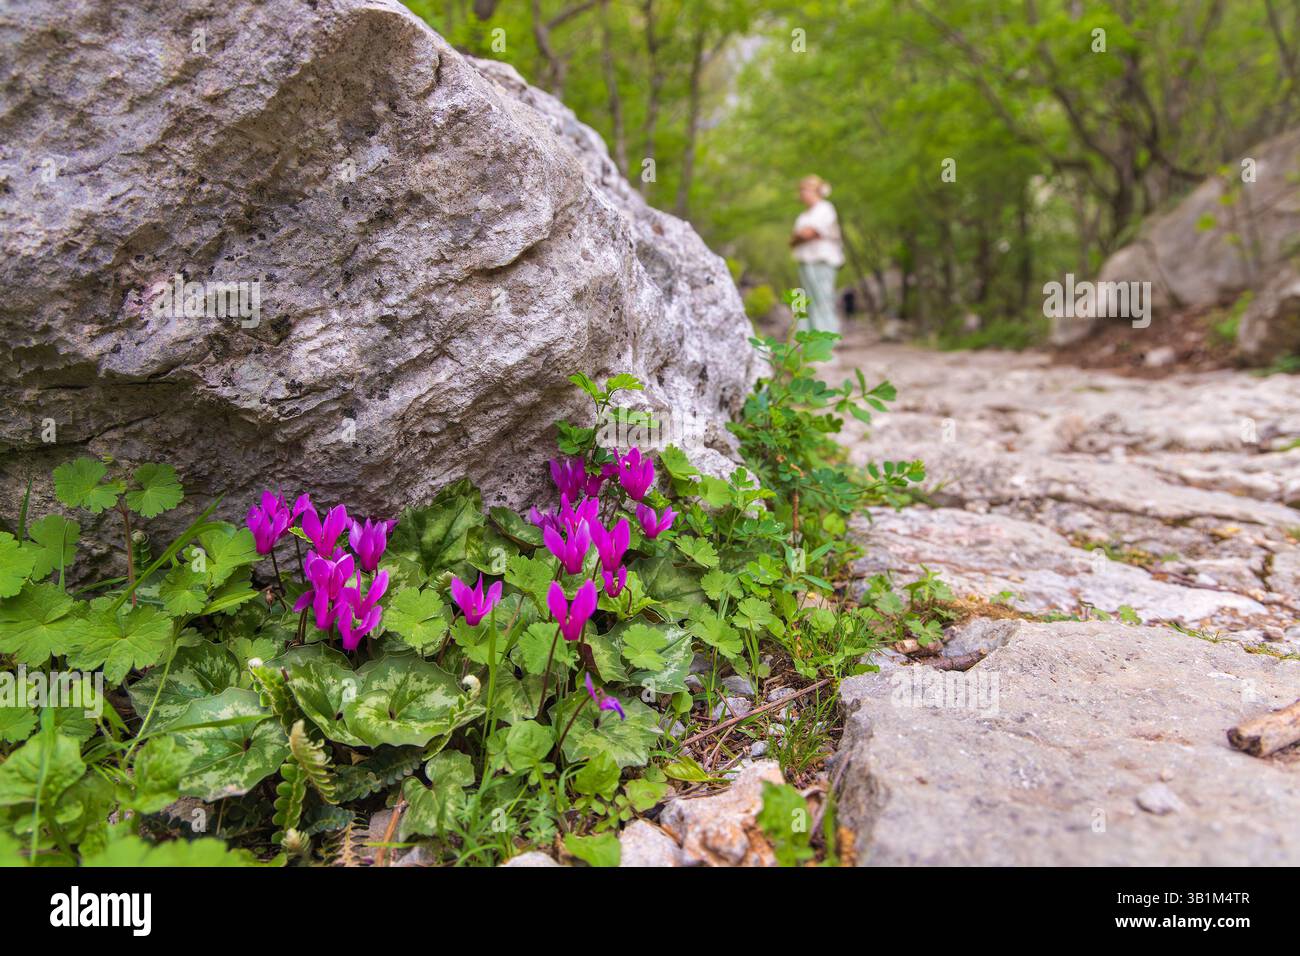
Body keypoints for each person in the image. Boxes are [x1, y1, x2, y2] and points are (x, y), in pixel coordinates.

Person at [789, 175, 844, 334]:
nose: (803, 194)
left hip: (822, 260)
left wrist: (802, 235)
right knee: (805, 303)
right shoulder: (804, 215)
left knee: (823, 300)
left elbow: (807, 233)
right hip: (805, 261)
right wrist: (800, 236)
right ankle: (807, 342)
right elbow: (794, 239)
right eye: (801, 190)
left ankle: (826, 342)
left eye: (806, 190)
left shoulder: (825, 208)